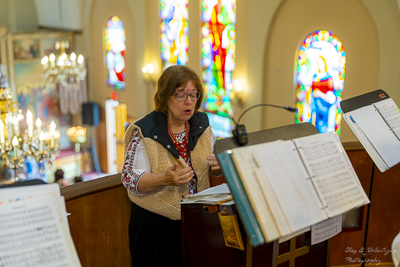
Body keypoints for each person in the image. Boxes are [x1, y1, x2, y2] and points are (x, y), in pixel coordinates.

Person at [121, 65, 222, 267]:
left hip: (195, 218)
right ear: (166, 96)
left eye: (194, 95)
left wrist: (217, 167)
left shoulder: (202, 123)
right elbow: (129, 178)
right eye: (181, 95)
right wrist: (164, 179)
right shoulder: (144, 130)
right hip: (155, 227)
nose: (189, 102)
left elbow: (210, 163)